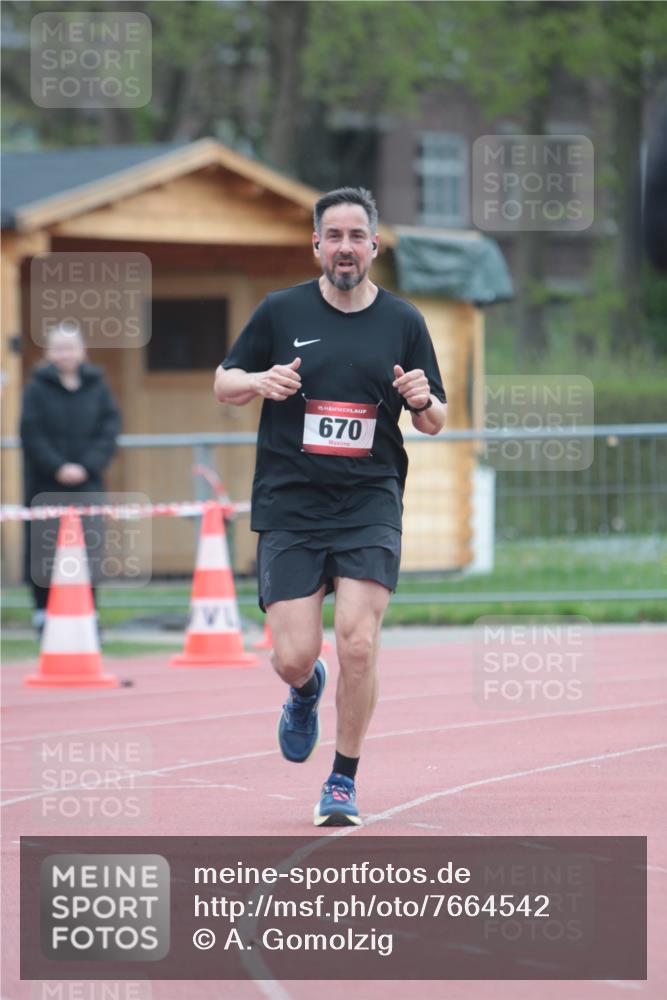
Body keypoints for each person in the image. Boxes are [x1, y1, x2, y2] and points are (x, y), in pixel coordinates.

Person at [214, 187, 446, 826]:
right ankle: (305, 688)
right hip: (291, 501)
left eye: (357, 236)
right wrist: (258, 380)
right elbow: (223, 382)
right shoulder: (279, 311)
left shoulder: (403, 321)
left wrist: (422, 399)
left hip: (369, 500)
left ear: (375, 245)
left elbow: (435, 419)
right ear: (316, 244)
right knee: (292, 655)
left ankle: (342, 780)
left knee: (359, 643)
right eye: (334, 236)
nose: (346, 247)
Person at [20, 323, 121, 636]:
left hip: (88, 484)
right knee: (44, 551)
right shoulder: (36, 389)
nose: (65, 354)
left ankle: (89, 615)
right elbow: (30, 432)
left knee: (88, 550)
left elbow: (109, 429)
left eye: (71, 347)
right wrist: (57, 467)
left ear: (82, 351)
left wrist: (87, 466)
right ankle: (43, 613)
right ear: (49, 353)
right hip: (45, 484)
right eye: (59, 348)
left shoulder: (98, 386)